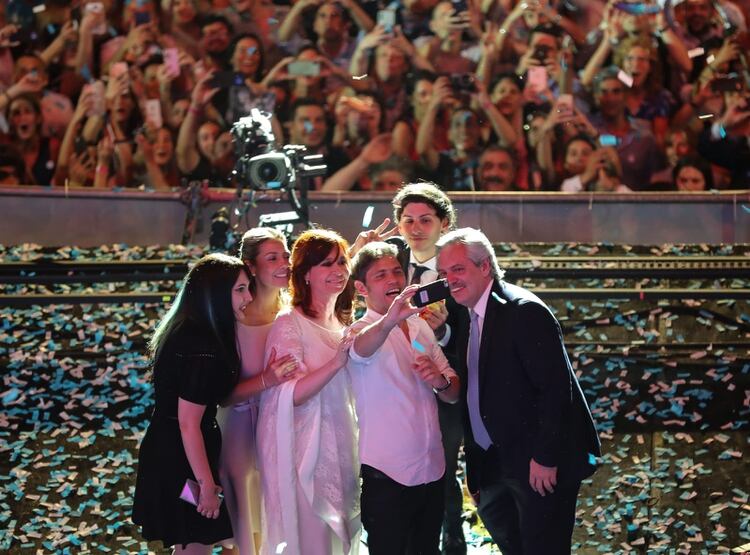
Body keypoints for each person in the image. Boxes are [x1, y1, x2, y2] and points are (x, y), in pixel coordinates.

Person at [435, 228, 601, 554]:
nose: (450, 280)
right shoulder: (469, 312)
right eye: (443, 273)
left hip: (536, 464)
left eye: (458, 269)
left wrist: (545, 457)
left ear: (485, 267)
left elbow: (555, 390)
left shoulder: (523, 311)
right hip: (493, 465)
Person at [132, 253, 252, 552]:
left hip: (173, 450)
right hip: (180, 458)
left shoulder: (190, 331)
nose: (248, 297)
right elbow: (188, 423)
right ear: (215, 294)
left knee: (195, 543)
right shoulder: (202, 346)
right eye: (240, 289)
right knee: (197, 542)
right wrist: (207, 486)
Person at [348, 242, 459, 554]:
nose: (393, 279)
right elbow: (360, 350)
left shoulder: (419, 327)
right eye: (381, 275)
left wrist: (440, 382)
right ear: (361, 287)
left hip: (432, 468)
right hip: (387, 474)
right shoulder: (359, 332)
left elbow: (452, 389)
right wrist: (391, 318)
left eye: (396, 271)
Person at [257, 229, 360, 555]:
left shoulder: (342, 323)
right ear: (305, 274)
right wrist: (335, 363)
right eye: (327, 264)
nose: (339, 270)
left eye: (342, 261)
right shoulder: (289, 322)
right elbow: (290, 394)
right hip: (307, 454)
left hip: (343, 444)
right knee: (314, 542)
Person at [218, 228, 298, 555]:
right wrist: (266, 379)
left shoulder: (291, 310)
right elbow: (220, 395)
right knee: (243, 530)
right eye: (273, 257)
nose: (285, 263)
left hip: (283, 429)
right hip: (239, 432)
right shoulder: (232, 317)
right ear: (250, 266)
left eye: (286, 255)